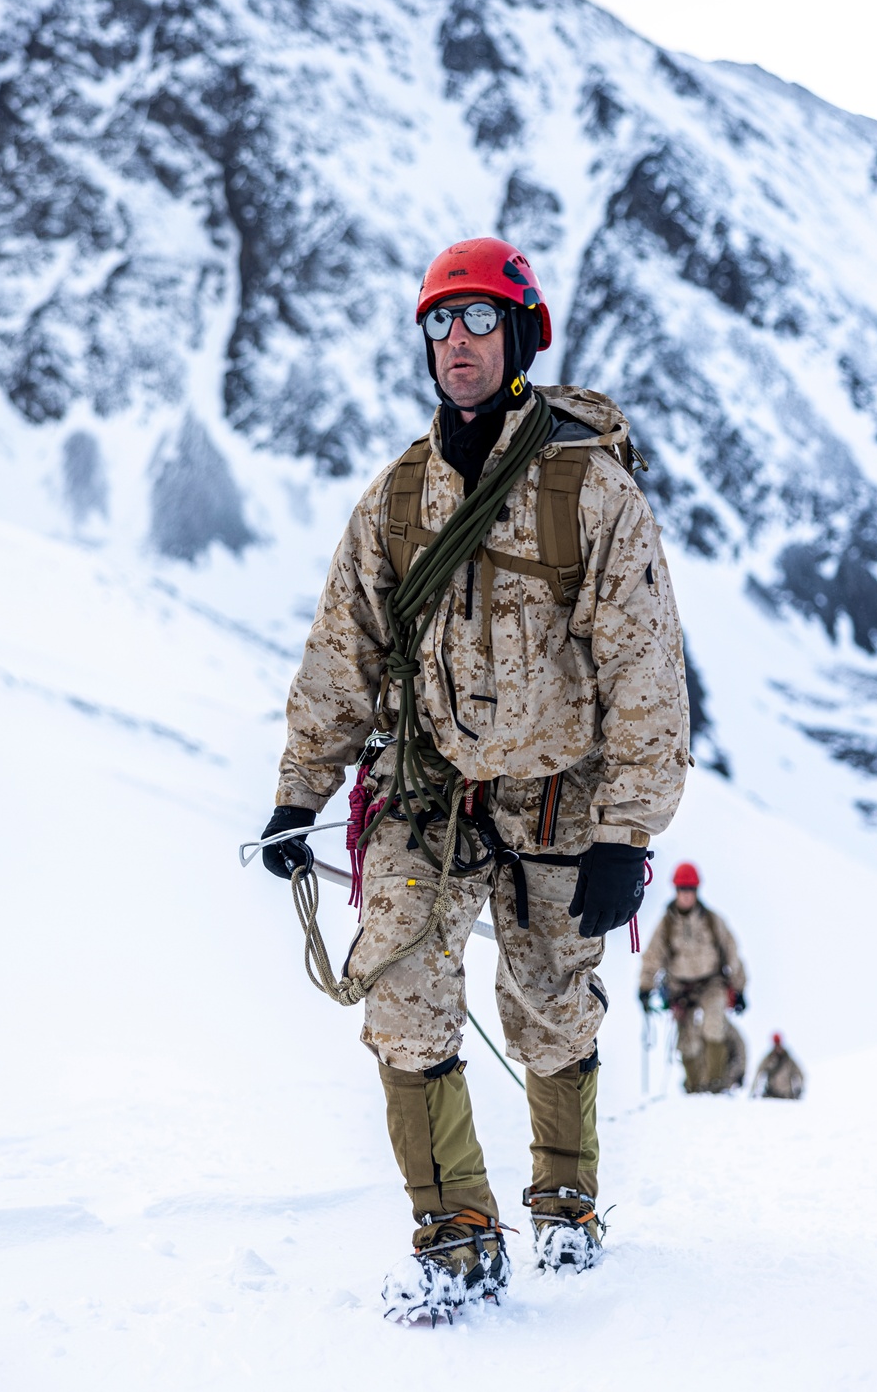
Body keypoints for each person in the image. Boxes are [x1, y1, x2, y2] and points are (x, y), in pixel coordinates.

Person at [259, 237, 690, 1319]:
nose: (456, 343)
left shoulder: (587, 491)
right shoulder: (397, 496)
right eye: (439, 324)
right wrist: (295, 794)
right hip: (424, 792)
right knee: (400, 997)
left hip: (560, 801)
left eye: (478, 321)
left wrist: (625, 835)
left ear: (521, 334)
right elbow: (340, 654)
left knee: (550, 1008)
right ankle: (456, 1236)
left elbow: (644, 671)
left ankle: (564, 1201)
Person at [639, 861, 747, 1093]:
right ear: (675, 890)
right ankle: (696, 1086)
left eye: (690, 890)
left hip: (712, 983)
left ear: (697, 891)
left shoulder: (712, 921)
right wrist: (645, 987)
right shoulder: (666, 925)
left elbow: (732, 953)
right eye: (682, 889)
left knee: (713, 1026)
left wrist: (739, 989)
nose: (686, 895)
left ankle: (716, 1083)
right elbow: (652, 957)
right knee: (686, 1041)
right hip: (680, 989)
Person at [752, 1033, 805, 1099]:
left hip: (786, 1096)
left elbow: (799, 1073)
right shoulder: (769, 1059)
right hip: (772, 1095)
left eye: (778, 1044)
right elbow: (759, 1072)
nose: (777, 1047)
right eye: (776, 1044)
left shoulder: (788, 1060)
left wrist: (799, 1088)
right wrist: (753, 1090)